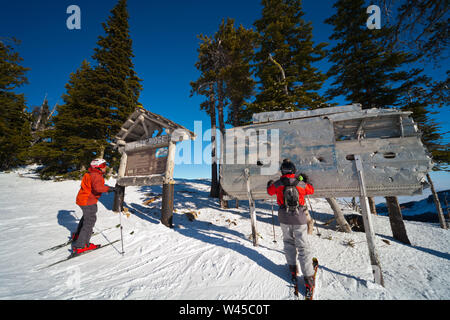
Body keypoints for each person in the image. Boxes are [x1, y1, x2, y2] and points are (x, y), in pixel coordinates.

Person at [266, 158, 316, 294]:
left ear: (282, 171)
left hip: (284, 218)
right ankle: (308, 280)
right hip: (299, 218)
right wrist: (305, 180)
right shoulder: (300, 183)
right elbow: (311, 190)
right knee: (303, 247)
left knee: (288, 243)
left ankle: (293, 271)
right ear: (293, 171)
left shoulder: (278, 184)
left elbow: (270, 192)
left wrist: (270, 184)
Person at [72, 159, 116, 255]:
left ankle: (78, 236)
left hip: (83, 199)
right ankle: (81, 245)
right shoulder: (96, 176)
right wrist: (110, 189)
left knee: (86, 217)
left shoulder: (90, 173)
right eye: (103, 165)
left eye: (105, 164)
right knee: (89, 221)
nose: (105, 166)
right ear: (98, 167)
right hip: (88, 201)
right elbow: (98, 188)